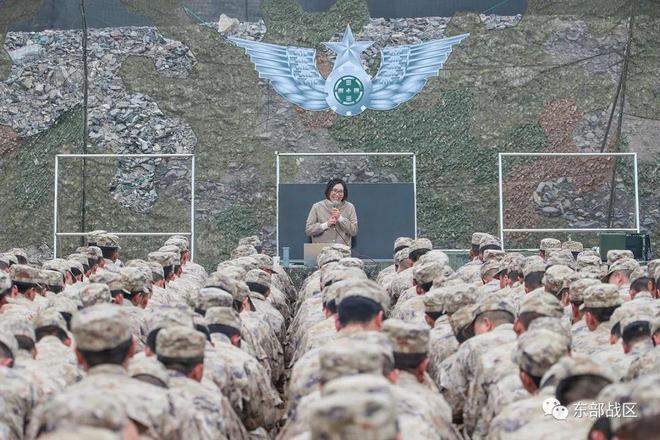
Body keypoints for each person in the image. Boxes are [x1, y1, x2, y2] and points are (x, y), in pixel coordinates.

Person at [305, 178, 358, 246]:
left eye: (340, 191)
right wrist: (326, 224)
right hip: (320, 250)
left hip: (342, 250)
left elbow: (354, 231)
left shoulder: (350, 207)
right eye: (334, 190)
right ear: (328, 191)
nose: (337, 194)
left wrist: (341, 218)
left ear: (344, 193)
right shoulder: (317, 207)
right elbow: (308, 230)